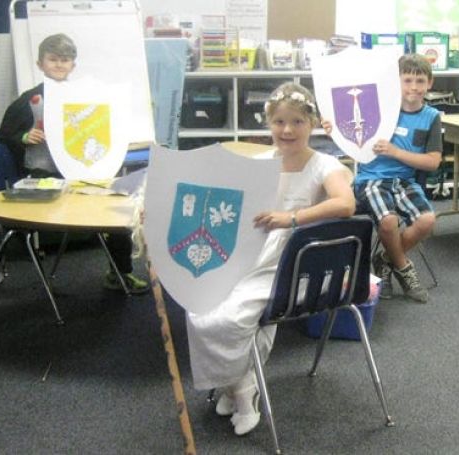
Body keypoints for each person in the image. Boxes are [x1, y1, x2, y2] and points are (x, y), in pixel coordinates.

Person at [186, 82, 355, 436]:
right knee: (199, 307)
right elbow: (225, 202)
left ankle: (242, 393)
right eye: (279, 122)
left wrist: (291, 218)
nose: (287, 130)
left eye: (297, 121)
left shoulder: (325, 165)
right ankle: (240, 384)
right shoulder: (260, 162)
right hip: (250, 251)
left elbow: (345, 204)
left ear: (312, 123)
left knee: (232, 318)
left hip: (294, 261)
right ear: (268, 124)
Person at [0, 33, 149, 294]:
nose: (59, 64)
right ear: (40, 63)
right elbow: (4, 136)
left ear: (73, 65)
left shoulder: (86, 95)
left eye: (65, 60)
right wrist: (23, 136)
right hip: (47, 176)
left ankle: (120, 273)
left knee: (119, 209)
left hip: (83, 173)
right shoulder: (30, 99)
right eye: (53, 59)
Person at [323, 54, 442, 303]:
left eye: (420, 81)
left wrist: (397, 152)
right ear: (396, 83)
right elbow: (351, 132)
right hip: (371, 180)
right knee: (388, 222)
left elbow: (433, 162)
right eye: (407, 80)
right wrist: (333, 130)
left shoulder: (431, 116)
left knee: (427, 220)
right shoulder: (380, 109)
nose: (414, 87)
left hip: (405, 182)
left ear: (430, 83)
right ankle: (405, 269)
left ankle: (385, 260)